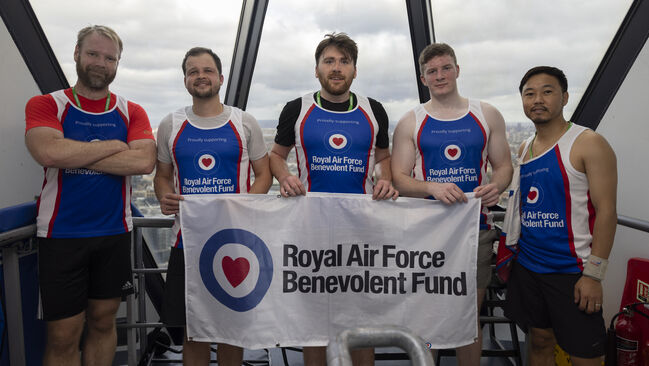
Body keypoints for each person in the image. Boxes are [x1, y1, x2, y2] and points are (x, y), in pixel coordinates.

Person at [24, 25, 156, 365]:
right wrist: (113, 147)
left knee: (103, 321)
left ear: (117, 63)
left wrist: (76, 151)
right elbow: (49, 154)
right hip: (61, 234)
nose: (101, 62)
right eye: (93, 54)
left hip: (113, 233)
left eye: (109, 57)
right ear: (77, 55)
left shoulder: (132, 110)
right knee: (63, 334)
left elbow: (142, 161)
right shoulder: (47, 104)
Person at [270, 32, 398, 366]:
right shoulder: (297, 108)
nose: (336, 68)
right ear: (317, 70)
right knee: (316, 321)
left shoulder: (374, 111)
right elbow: (276, 156)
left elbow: (384, 159)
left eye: (344, 61)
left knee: (362, 317)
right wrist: (284, 176)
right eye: (329, 61)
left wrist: (384, 180)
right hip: (311, 230)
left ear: (355, 70)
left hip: (363, 231)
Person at [391, 43, 513, 365]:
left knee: (469, 314)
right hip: (425, 231)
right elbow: (399, 178)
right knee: (425, 311)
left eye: (446, 68)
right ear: (423, 78)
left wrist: (496, 186)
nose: (440, 75)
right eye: (432, 71)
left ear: (457, 70)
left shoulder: (486, 114)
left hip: (475, 228)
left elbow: (504, 167)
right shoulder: (410, 122)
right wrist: (432, 187)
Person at [154, 47, 272, 366]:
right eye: (193, 71)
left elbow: (264, 174)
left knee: (230, 327)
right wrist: (164, 196)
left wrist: (246, 204)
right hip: (188, 242)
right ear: (185, 81)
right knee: (195, 329)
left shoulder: (244, 122)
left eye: (207, 70)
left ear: (221, 78)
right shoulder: (170, 124)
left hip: (236, 240)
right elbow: (162, 177)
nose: (200, 76)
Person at [504, 66, 617, 365]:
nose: (537, 99)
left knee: (586, 355)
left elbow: (607, 213)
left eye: (547, 91)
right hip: (528, 266)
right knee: (539, 340)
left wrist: (594, 275)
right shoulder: (526, 147)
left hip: (572, 272)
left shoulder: (588, 143)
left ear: (565, 97)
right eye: (529, 94)